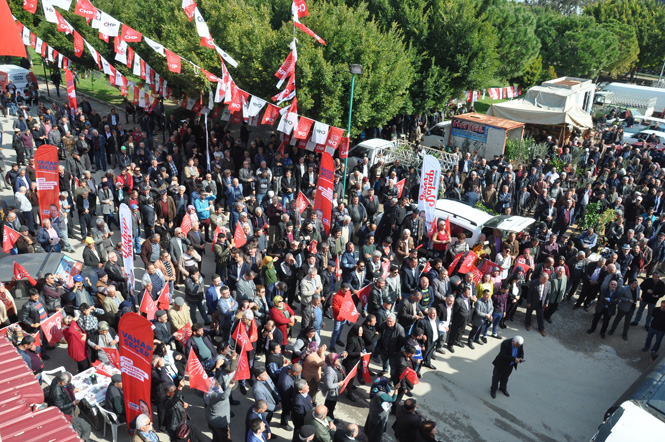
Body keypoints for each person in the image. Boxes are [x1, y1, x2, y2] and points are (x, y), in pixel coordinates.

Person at [204, 377, 235, 442]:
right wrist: (230, 384)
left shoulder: (207, 392)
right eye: (214, 382)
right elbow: (224, 396)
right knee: (225, 437)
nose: (217, 383)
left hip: (212, 418)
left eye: (215, 381)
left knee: (216, 435)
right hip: (219, 421)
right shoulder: (214, 395)